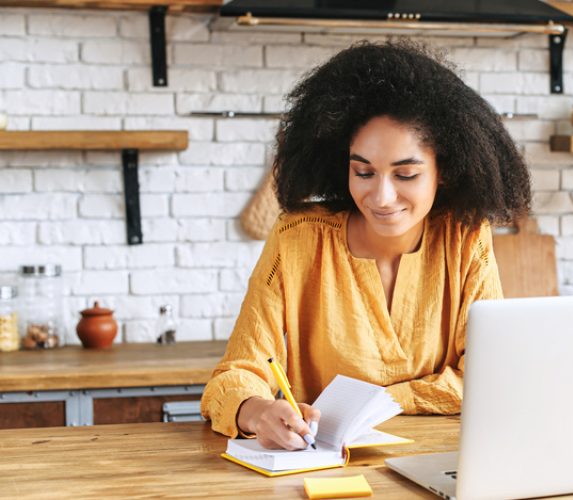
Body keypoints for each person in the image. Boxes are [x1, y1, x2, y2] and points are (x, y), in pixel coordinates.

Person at [200, 41, 531, 451]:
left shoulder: (464, 238)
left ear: (443, 171)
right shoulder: (297, 239)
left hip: (441, 462)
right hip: (325, 471)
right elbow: (236, 372)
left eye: (406, 174)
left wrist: (385, 400)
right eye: (364, 171)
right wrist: (255, 410)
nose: (382, 196)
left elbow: (488, 375)